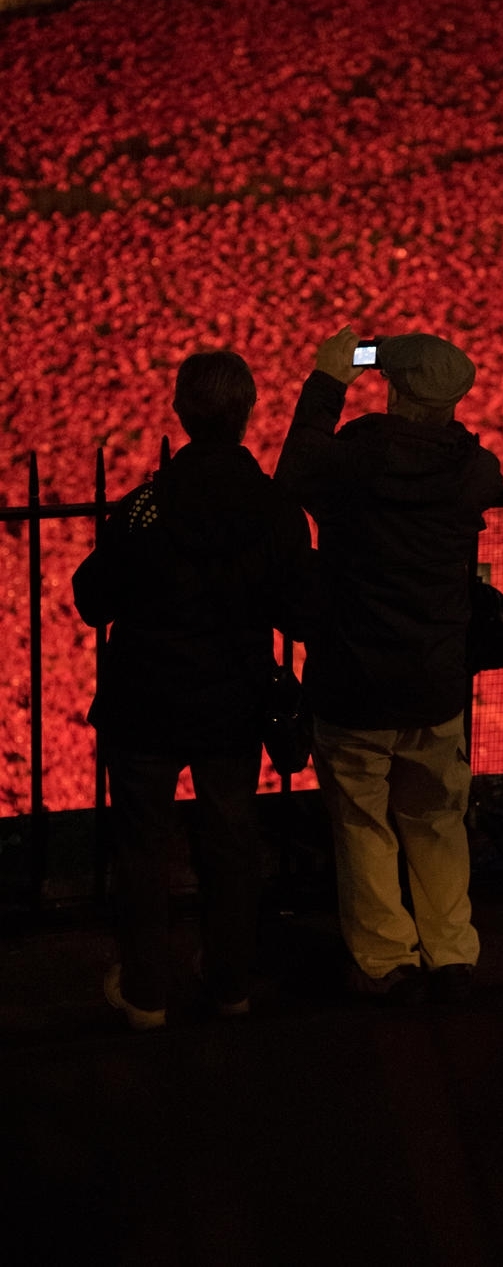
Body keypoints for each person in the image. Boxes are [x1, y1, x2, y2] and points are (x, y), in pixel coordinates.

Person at [73, 350, 316, 1029]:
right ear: (246, 415)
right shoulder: (273, 508)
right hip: (231, 703)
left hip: (146, 702)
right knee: (232, 845)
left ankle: (147, 991)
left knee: (143, 849)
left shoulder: (147, 507)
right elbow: (301, 611)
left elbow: (93, 600)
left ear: (180, 413)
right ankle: (230, 983)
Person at [275, 327, 503, 1003]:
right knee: (437, 816)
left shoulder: (355, 459)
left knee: (361, 820)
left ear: (395, 390)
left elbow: (292, 475)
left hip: (355, 676)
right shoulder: (475, 471)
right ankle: (452, 950)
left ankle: (385, 958)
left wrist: (329, 383)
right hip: (434, 677)